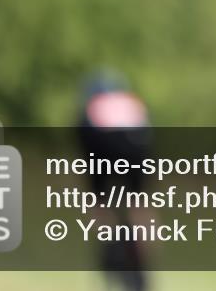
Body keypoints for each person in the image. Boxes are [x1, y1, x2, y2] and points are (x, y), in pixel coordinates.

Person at [76, 70, 153, 291]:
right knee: (139, 204)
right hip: (137, 143)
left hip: (100, 141)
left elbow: (85, 146)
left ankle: (111, 257)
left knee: (100, 204)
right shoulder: (132, 103)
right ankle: (141, 265)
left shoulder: (91, 106)